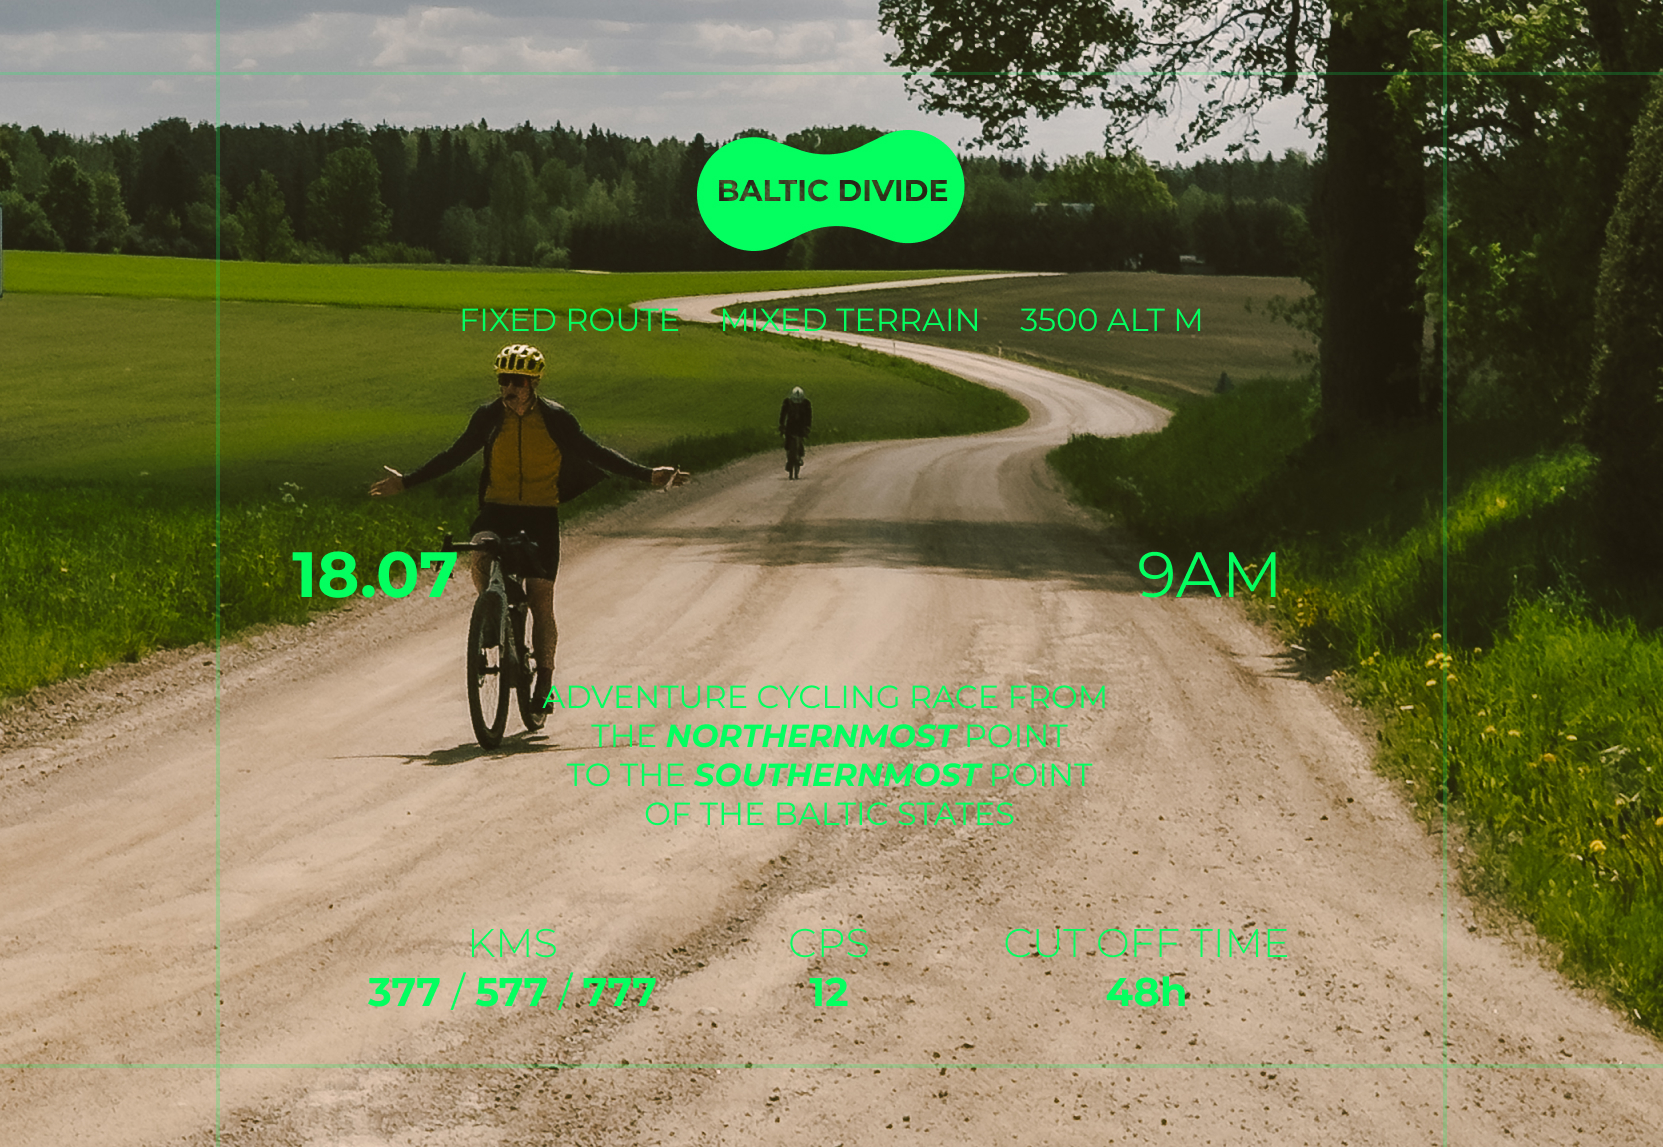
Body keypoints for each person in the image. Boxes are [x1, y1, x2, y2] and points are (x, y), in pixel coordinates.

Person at [370, 343, 685, 707]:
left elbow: (594, 452)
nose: (509, 388)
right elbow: (454, 455)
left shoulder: (555, 419)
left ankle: (545, 679)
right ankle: (490, 610)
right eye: (504, 380)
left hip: (540, 514)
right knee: (481, 554)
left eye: (516, 381)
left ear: (532, 383)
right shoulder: (488, 417)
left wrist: (647, 475)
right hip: (497, 509)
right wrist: (406, 482)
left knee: (540, 598)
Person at [778, 385, 812, 479]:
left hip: (801, 427)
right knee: (788, 444)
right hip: (790, 426)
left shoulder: (806, 404)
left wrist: (807, 427)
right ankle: (790, 460)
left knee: (799, 442)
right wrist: (781, 425)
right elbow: (783, 414)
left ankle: (799, 455)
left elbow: (809, 416)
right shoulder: (787, 403)